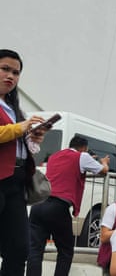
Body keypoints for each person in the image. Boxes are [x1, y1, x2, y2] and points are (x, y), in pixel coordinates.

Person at [27, 135, 110, 276]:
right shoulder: (82, 156)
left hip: (38, 204)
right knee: (65, 250)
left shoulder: (54, 156)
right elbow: (103, 170)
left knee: (35, 250)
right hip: (58, 206)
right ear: (84, 148)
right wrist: (103, 162)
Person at [0, 49, 48, 275]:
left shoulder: (13, 107)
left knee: (19, 248)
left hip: (16, 181)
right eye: (5, 69)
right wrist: (20, 128)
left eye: (16, 72)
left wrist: (33, 137)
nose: (10, 76)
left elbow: (19, 145)